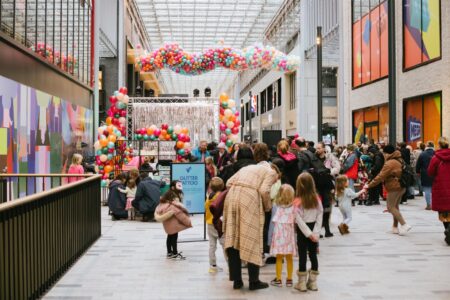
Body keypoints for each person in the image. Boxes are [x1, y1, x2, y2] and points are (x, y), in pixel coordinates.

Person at [223, 146, 277, 290]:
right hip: (249, 197)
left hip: (233, 195)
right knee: (253, 237)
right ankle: (254, 281)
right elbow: (264, 190)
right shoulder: (271, 172)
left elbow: (228, 183)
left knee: (234, 239)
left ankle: (237, 280)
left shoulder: (248, 168)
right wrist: (267, 207)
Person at [366, 145, 412, 235]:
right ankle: (395, 227)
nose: (383, 155)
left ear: (387, 153)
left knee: (390, 207)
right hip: (402, 186)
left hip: (394, 187)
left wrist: (369, 185)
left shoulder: (389, 163)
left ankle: (404, 225)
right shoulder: (399, 159)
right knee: (395, 207)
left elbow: (380, 176)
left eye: (384, 153)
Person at [294, 173, 323, 292]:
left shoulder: (297, 201)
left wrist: (308, 234)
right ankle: (313, 283)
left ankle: (301, 283)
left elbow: (298, 219)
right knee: (313, 255)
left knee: (302, 256)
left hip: (303, 232)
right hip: (314, 230)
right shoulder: (317, 199)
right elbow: (320, 215)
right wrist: (315, 233)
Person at [269, 184, 297, 288]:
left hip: (279, 238)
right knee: (289, 258)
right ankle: (289, 279)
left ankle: (279, 279)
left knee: (279, 258)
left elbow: (273, 222)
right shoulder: (293, 208)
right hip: (289, 238)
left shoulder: (277, 208)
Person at [154, 186, 192, 260]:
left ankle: (169, 252)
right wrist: (188, 223)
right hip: (174, 225)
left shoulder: (162, 205)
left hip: (167, 225)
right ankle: (174, 253)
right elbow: (181, 216)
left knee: (169, 237)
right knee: (174, 238)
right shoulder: (173, 206)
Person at [427, 137, 450, 245]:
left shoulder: (435, 158)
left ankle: (447, 229)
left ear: (439, 145)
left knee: (444, 210)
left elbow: (430, 172)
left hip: (441, 187)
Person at [205, 177, 226, 273]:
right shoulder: (221, 197)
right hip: (219, 224)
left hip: (209, 223)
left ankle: (212, 266)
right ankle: (230, 264)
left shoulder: (208, 197)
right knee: (224, 244)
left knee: (212, 245)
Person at [416, 141, 435, 210]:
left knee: (427, 189)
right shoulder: (436, 153)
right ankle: (434, 204)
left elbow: (418, 165)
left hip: (425, 174)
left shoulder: (422, 154)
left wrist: (417, 172)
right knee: (434, 190)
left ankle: (429, 205)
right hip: (435, 174)